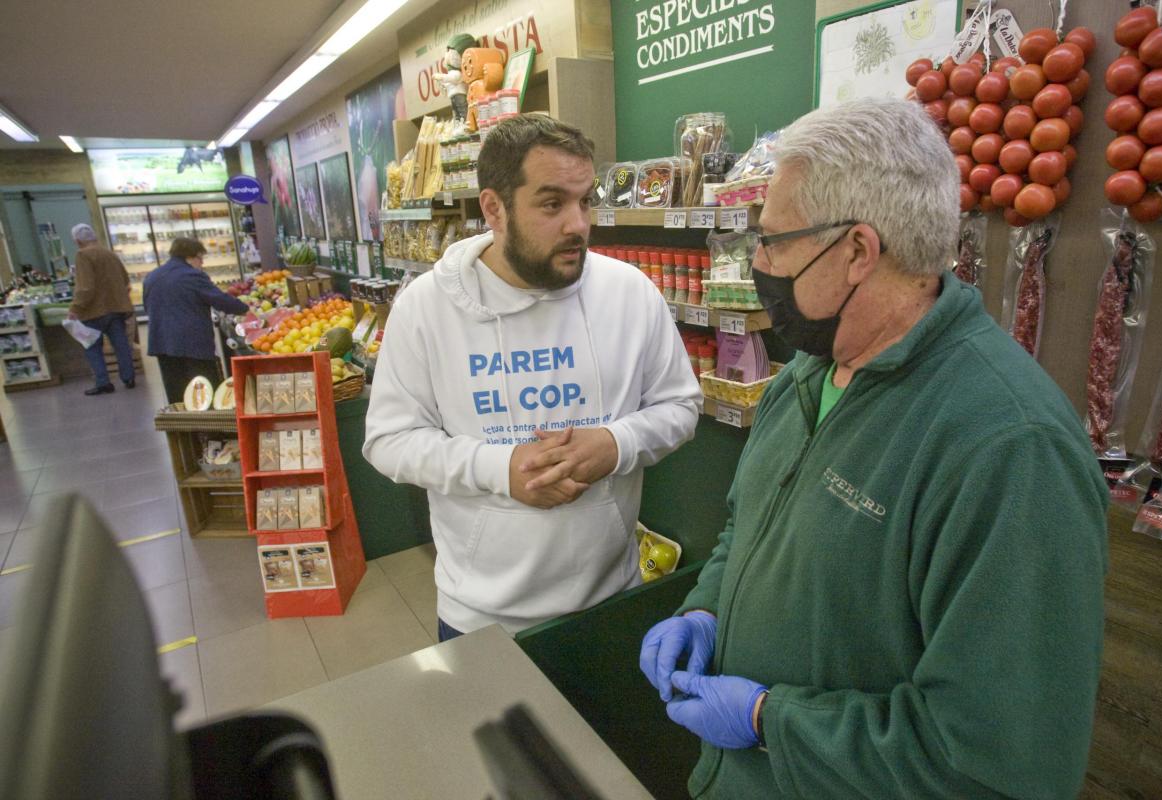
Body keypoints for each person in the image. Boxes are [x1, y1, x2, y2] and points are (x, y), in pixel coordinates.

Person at [639, 97, 1107, 799]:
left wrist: (772, 721)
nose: (757, 261)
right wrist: (707, 606)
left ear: (857, 251)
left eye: (772, 242)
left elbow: (1001, 764)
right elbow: (752, 524)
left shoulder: (1010, 451)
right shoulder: (809, 370)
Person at [364, 114, 702, 639]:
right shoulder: (424, 309)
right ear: (494, 208)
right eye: (552, 204)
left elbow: (680, 406)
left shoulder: (630, 294)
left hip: (613, 596)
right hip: (481, 617)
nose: (578, 224)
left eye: (585, 200)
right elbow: (389, 440)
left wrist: (617, 443)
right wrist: (499, 469)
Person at [143, 237, 248, 404]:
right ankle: (209, 427)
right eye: (201, 258)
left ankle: (182, 427)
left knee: (176, 390)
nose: (202, 263)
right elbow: (219, 299)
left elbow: (148, 307)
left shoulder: (152, 276)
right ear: (190, 257)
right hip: (192, 344)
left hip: (162, 343)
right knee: (203, 388)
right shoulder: (192, 275)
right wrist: (246, 309)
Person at [67, 223, 136, 396]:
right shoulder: (109, 253)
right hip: (116, 308)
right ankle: (128, 377)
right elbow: (125, 279)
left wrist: (75, 307)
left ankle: (103, 382)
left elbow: (86, 287)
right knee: (121, 345)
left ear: (77, 241)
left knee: (92, 346)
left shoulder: (82, 255)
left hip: (93, 311)